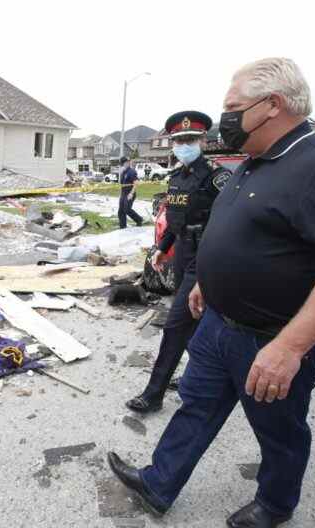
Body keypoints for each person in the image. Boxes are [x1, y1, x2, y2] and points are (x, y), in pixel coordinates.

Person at [107, 57, 315, 527]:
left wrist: (290, 348)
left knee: (279, 430)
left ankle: (275, 505)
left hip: (272, 338)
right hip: (217, 322)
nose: (225, 117)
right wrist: (209, 286)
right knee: (196, 405)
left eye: (233, 107)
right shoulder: (255, 162)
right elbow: (234, 232)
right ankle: (159, 481)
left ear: (272, 105)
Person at [125, 110, 230, 413]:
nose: (184, 144)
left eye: (190, 139)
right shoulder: (178, 177)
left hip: (206, 257)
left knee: (176, 325)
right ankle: (194, 377)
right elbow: (174, 220)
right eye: (179, 140)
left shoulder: (217, 177)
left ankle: (153, 394)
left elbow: (229, 221)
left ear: (203, 141)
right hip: (183, 252)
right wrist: (162, 248)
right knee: (195, 321)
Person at [117, 156, 143, 229]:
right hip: (123, 193)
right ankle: (123, 226)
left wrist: (131, 193)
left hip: (129, 193)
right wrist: (121, 193)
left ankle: (139, 219)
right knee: (120, 211)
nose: (127, 163)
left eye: (127, 162)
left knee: (127, 209)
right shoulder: (123, 172)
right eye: (123, 163)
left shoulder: (132, 171)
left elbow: (136, 182)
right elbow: (122, 184)